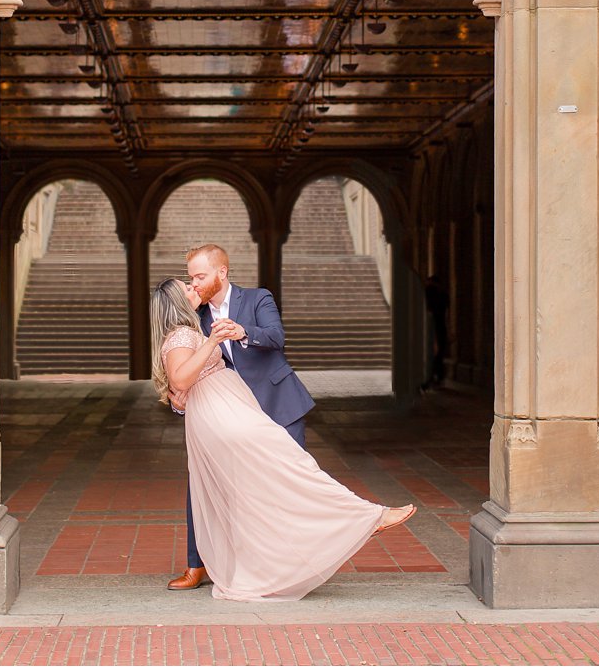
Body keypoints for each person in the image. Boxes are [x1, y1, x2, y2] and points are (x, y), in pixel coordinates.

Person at [151, 276, 415, 602]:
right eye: (187, 287)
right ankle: (362, 518)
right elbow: (179, 379)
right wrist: (211, 343)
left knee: (269, 483)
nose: (194, 288)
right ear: (177, 302)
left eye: (195, 281)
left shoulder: (199, 325)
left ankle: (321, 540)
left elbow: (265, 341)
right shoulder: (181, 335)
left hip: (233, 410)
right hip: (223, 420)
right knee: (289, 466)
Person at [164, 243, 317, 590]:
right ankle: (196, 564)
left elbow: (277, 337)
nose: (195, 284)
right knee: (203, 481)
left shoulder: (258, 298)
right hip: (229, 419)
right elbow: (183, 372)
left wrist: (243, 332)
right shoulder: (194, 318)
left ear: (222, 272)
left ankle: (298, 563)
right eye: (191, 278)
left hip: (278, 406)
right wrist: (178, 402)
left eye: (200, 276)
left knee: (292, 485)